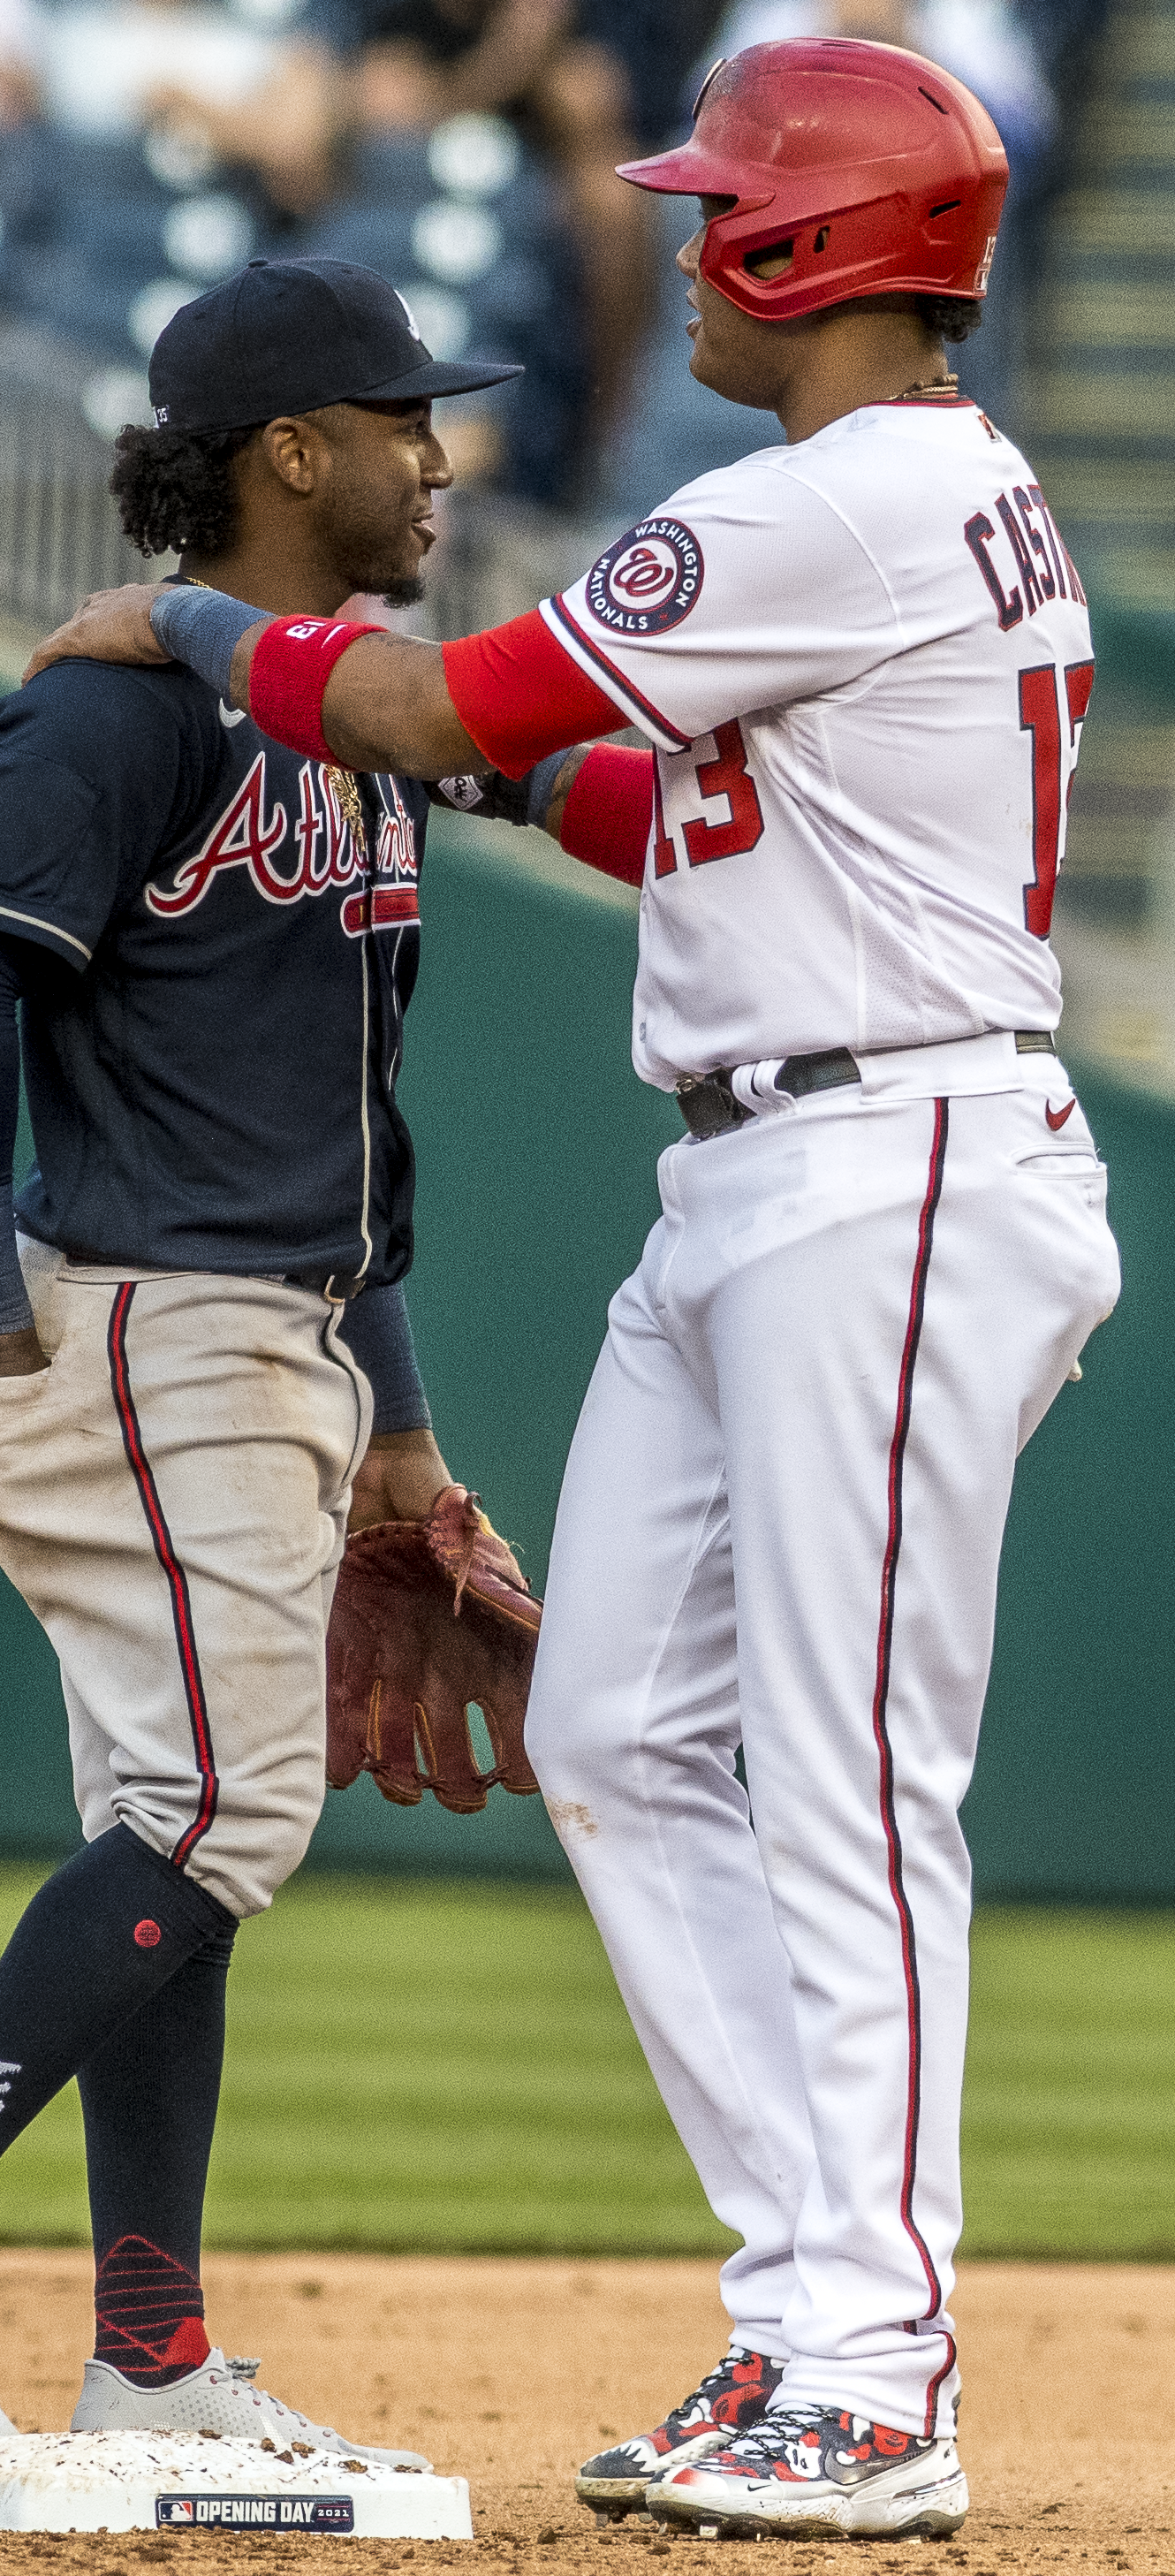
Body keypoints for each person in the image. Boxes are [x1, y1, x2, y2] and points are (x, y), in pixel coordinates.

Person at [31, 36, 1122, 2537]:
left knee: (852, 1778)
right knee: (622, 1725)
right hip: (777, 1157)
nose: (686, 243)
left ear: (796, 253)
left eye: (723, 206)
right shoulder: (898, 495)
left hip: (897, 1163)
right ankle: (802, 2320)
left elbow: (413, 692)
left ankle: (878, 2373)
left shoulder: (827, 498)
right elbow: (670, 806)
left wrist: (191, 621)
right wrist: (490, 767)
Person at [0, 255, 523, 2448]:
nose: (438, 455)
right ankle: (150, 2355)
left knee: (170, 1824)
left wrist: (399, 1433)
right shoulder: (115, 714)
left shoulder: (335, 729)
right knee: (219, 1809)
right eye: (402, 421)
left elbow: (347, 1117)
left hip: (275, 1325)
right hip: (143, 1312)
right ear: (289, 456)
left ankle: (153, 2360)